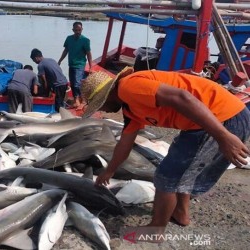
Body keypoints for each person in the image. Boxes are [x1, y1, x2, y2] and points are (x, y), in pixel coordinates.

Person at [81, 67, 250, 241]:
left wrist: (223, 136)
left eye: (101, 105)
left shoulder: (128, 87)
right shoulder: (130, 109)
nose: (105, 111)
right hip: (200, 124)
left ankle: (156, 230)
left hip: (222, 118)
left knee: (166, 176)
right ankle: (180, 213)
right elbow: (125, 142)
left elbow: (182, 97)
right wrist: (109, 170)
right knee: (181, 166)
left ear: (108, 95)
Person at [58, 21, 92, 110]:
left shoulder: (85, 40)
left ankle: (83, 101)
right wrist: (60, 60)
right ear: (73, 30)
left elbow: (88, 54)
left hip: (80, 64)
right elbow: (66, 50)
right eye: (76, 30)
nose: (77, 32)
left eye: (79, 30)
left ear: (82, 29)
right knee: (72, 83)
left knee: (77, 83)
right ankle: (76, 100)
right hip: (71, 64)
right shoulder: (69, 39)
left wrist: (91, 66)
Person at [30, 48, 68, 112]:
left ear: (36, 58)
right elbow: (59, 70)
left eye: (33, 60)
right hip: (64, 82)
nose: (34, 62)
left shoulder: (40, 65)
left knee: (58, 105)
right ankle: (62, 111)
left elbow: (44, 80)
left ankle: (60, 117)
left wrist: (46, 92)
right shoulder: (51, 60)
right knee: (60, 101)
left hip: (58, 85)